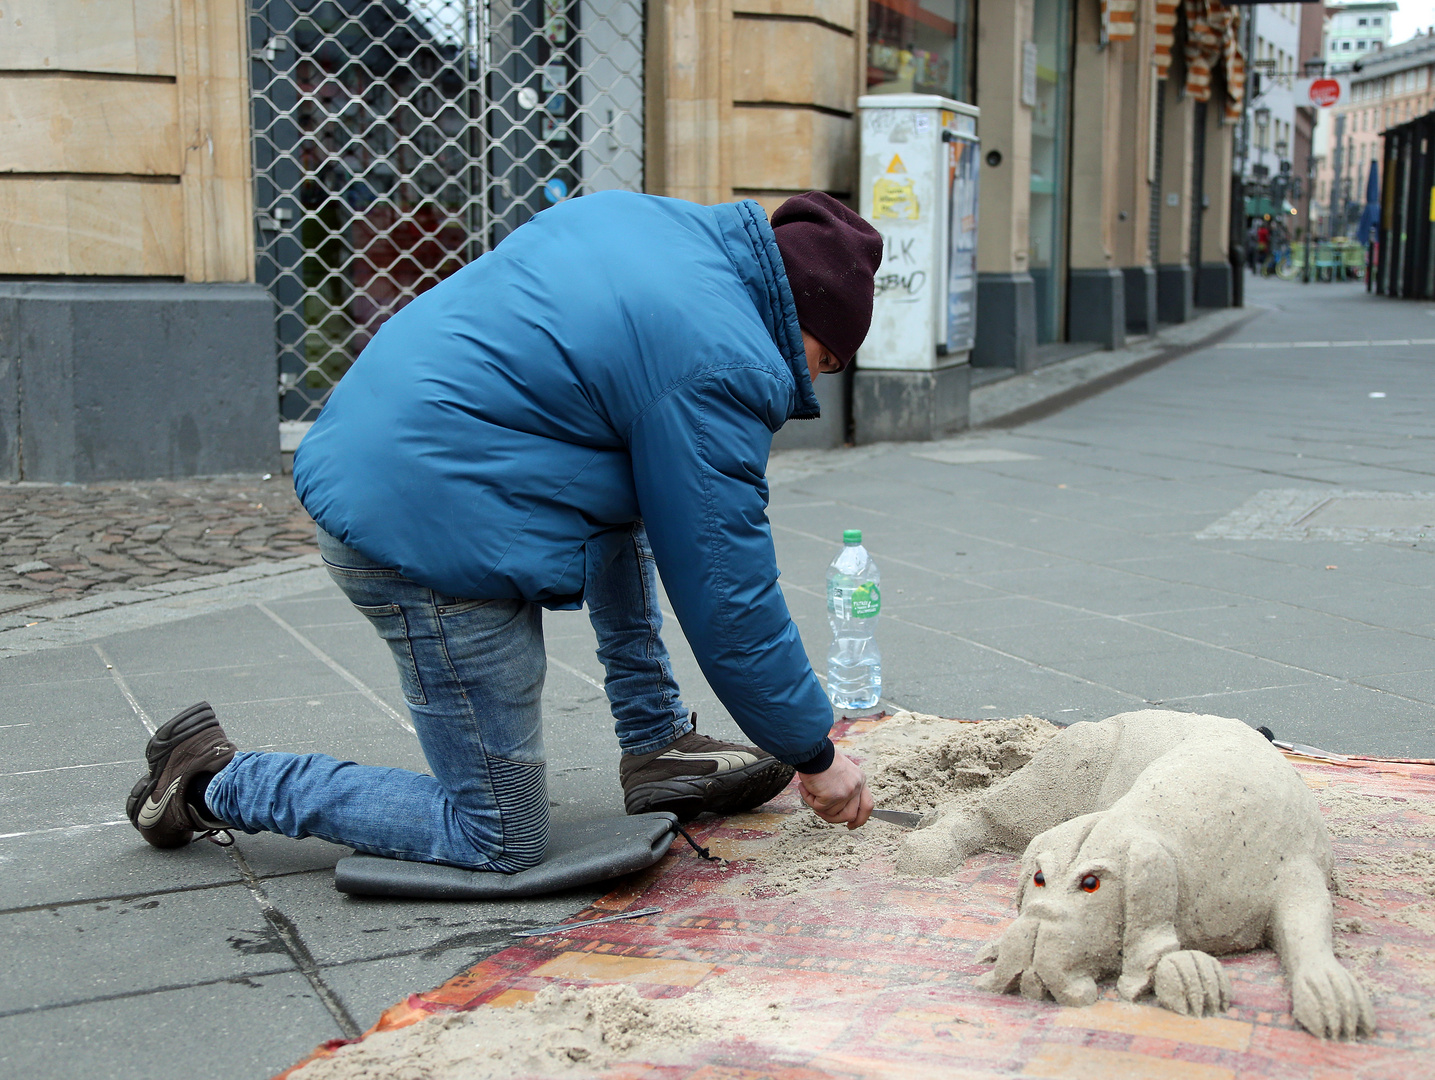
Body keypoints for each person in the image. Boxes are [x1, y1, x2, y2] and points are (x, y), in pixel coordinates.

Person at [126, 191, 883, 872]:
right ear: (808, 322)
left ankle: (656, 743)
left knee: (653, 491)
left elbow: (661, 506)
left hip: (397, 453)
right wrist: (813, 752)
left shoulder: (650, 226)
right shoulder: (723, 360)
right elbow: (727, 591)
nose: (811, 383)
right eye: (826, 361)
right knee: (495, 834)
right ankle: (210, 778)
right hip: (422, 531)